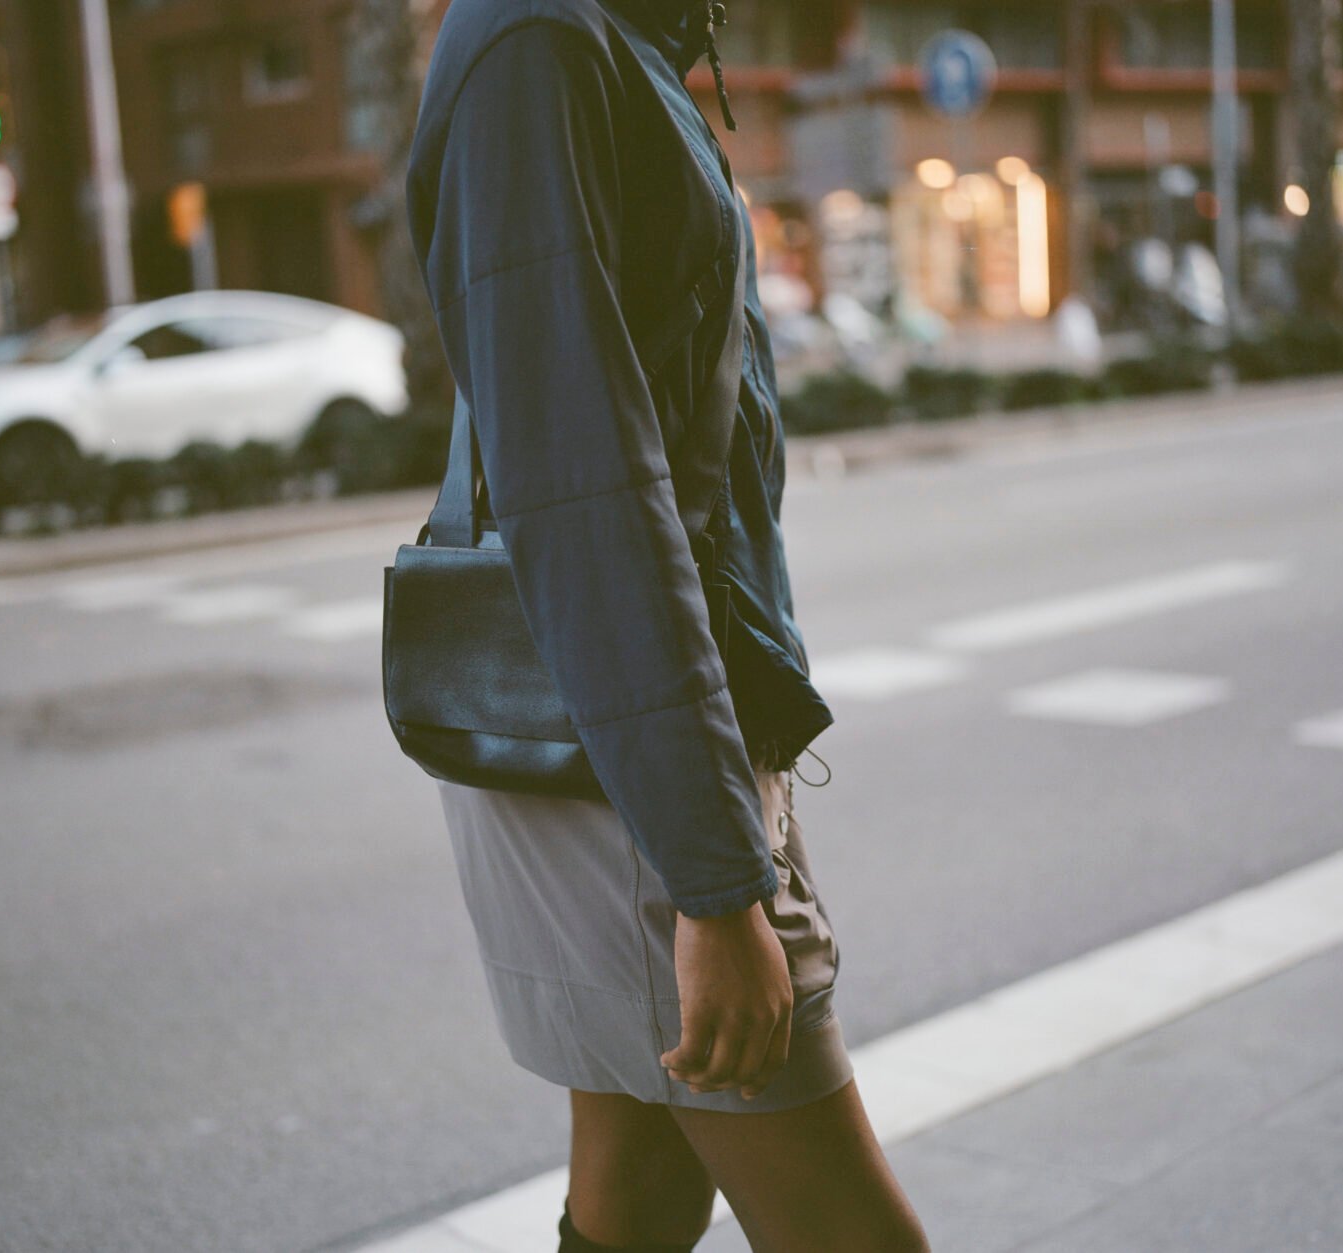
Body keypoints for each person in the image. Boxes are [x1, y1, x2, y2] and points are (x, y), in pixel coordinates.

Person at [403, 1, 932, 1249]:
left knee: (638, 1190)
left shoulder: (605, 38)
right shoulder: (540, 42)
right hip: (620, 755)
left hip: (643, 719)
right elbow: (581, 484)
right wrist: (714, 878)